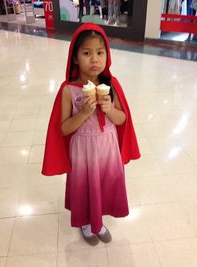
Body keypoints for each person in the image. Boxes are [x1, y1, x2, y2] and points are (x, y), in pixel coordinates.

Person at [42, 22, 140, 246]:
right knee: (85, 185)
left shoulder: (111, 85)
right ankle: (87, 222)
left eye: (100, 52)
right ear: (75, 57)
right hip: (83, 150)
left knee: (104, 184)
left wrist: (109, 109)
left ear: (107, 55)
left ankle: (99, 219)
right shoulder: (68, 89)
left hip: (107, 147)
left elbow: (123, 119)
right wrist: (85, 112)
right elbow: (64, 128)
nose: (94, 59)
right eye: (87, 53)